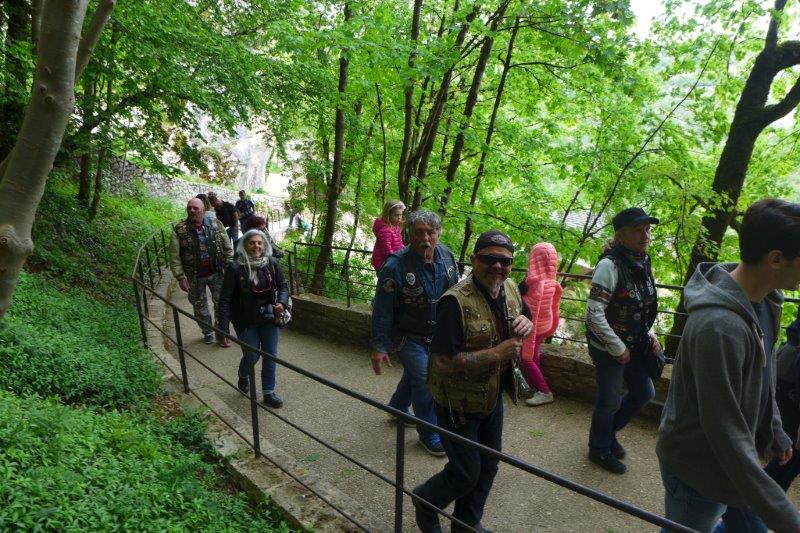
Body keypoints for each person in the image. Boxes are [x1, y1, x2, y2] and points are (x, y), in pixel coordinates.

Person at [657, 199, 800, 532]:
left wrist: (775, 429)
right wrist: (788, 520)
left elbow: (764, 375)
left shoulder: (766, 302)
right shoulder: (719, 327)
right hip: (699, 471)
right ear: (775, 259)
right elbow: (724, 431)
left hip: (733, 468)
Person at [413, 230, 533, 533]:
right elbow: (442, 361)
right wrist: (497, 353)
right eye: (489, 259)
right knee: (465, 472)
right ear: (473, 259)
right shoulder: (453, 302)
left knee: (489, 463)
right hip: (457, 402)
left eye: (505, 261)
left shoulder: (510, 288)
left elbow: (526, 317)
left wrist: (527, 323)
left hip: (492, 396)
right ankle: (425, 501)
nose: (498, 266)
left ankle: (465, 522)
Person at [370, 210, 459, 457]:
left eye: (431, 232)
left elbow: (457, 295)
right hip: (406, 336)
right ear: (409, 234)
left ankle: (398, 406)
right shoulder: (395, 265)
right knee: (425, 380)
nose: (425, 238)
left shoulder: (447, 256)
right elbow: (382, 309)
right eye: (419, 232)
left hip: (436, 333)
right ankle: (428, 433)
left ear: (438, 233)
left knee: (415, 374)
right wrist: (378, 346)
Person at [585, 207, 659, 474]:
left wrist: (650, 334)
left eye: (647, 230)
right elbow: (593, 313)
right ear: (621, 235)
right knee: (609, 401)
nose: (645, 235)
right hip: (608, 347)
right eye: (638, 230)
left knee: (645, 392)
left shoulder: (642, 261)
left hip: (635, 342)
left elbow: (643, 304)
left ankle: (607, 434)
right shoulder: (610, 266)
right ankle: (598, 449)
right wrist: (617, 348)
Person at [719, 309, 800, 531]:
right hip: (791, 385)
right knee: (786, 461)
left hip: (788, 380)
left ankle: (745, 514)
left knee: (786, 462)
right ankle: (747, 510)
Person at [218, 229, 290, 408]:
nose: (256, 246)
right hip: (245, 320)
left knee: (270, 355)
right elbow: (224, 300)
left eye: (259, 243)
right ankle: (243, 375)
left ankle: (268, 393)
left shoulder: (271, 263)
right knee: (253, 355)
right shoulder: (235, 268)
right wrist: (223, 329)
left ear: (264, 245)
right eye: (252, 242)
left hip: (269, 317)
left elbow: (283, 286)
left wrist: (282, 303)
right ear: (244, 245)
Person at [169, 197, 234, 346]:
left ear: (203, 210)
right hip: (194, 276)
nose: (192, 210)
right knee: (200, 307)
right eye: (189, 208)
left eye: (195, 208)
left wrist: (229, 266)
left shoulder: (216, 224)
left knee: (221, 304)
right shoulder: (179, 230)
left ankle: (222, 333)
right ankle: (208, 332)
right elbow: (174, 257)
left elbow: (227, 247)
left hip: (217, 273)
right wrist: (180, 277)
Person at [519, 242, 562, 407]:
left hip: (533, 327)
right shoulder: (551, 281)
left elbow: (533, 312)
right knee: (535, 356)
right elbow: (554, 307)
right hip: (544, 325)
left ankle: (544, 391)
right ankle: (534, 387)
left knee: (526, 358)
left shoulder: (535, 283)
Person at [371, 200, 406, 271]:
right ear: (388, 215)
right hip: (384, 265)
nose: (399, 217)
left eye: (400, 215)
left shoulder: (395, 227)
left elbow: (399, 244)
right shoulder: (385, 231)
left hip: (392, 261)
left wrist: (405, 251)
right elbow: (387, 252)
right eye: (396, 215)